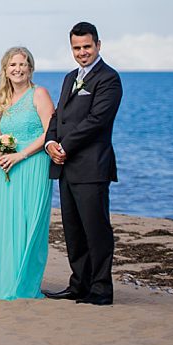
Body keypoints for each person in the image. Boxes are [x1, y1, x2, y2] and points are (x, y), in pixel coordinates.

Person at [44, 22, 123, 306]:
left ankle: (101, 289)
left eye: (87, 47)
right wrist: (50, 143)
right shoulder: (69, 78)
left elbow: (97, 121)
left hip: (92, 167)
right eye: (77, 48)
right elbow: (58, 116)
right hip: (65, 167)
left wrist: (65, 145)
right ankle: (79, 284)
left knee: (96, 229)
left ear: (98, 45)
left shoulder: (109, 79)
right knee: (73, 231)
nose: (82, 52)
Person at [0, 47, 54, 301]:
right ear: (5, 69)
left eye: (22, 64)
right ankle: (5, 280)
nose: (18, 69)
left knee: (29, 222)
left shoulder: (40, 94)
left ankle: (25, 283)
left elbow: (50, 132)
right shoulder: (3, 101)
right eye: (12, 65)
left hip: (33, 165)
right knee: (7, 223)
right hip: (8, 170)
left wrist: (20, 155)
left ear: (30, 68)